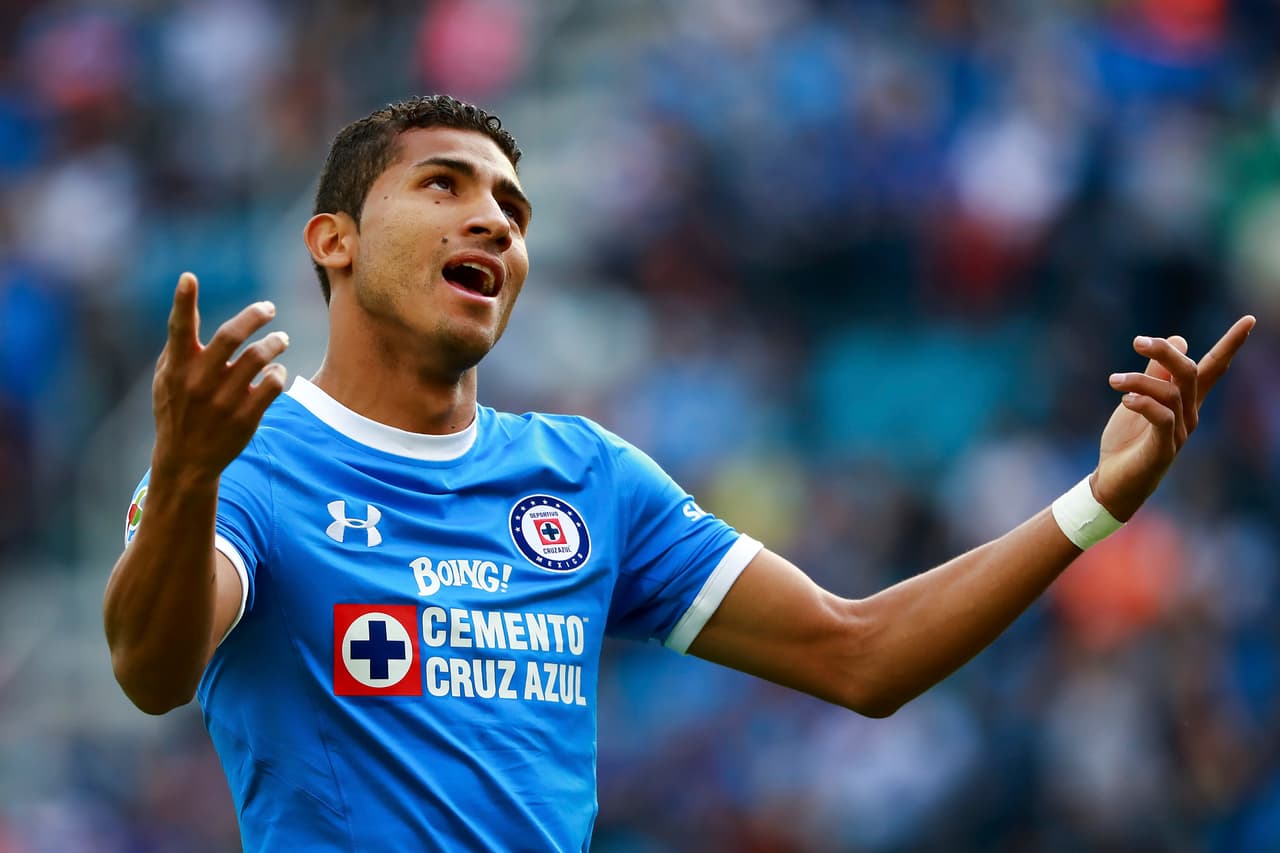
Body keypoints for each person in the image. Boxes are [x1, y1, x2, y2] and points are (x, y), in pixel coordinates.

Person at [102, 94, 1255, 851]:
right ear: (333, 241)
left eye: (513, 206)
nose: (495, 223)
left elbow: (860, 654)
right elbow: (152, 669)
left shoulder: (585, 477)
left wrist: (1097, 501)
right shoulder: (246, 454)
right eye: (445, 186)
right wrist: (189, 472)